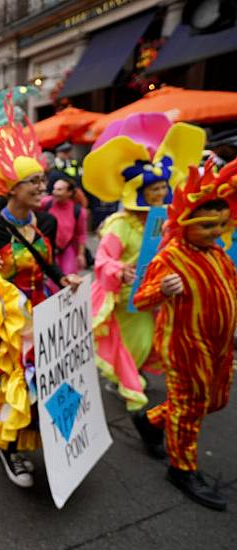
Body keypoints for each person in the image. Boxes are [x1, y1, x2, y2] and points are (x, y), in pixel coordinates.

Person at [0, 98, 81, 488]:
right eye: (35, 183)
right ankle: (9, 448)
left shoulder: (45, 220)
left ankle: (49, 441)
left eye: (42, 183)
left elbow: (48, 263)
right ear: (13, 188)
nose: (42, 189)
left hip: (43, 309)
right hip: (7, 322)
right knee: (14, 381)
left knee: (46, 378)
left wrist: (65, 280)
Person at [131, 158, 237, 511]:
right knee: (191, 407)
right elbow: (141, 299)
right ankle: (182, 468)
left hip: (219, 345)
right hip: (185, 346)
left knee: (212, 400)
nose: (215, 232)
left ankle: (149, 421)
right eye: (207, 225)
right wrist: (162, 289)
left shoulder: (219, 254)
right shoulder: (171, 256)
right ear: (187, 225)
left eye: (220, 225)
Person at [83, 113, 206, 411]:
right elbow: (103, 260)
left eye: (164, 188)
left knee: (150, 341)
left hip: (154, 295)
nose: (162, 193)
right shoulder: (119, 225)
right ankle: (126, 383)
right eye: (155, 189)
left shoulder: (164, 221)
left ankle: (128, 374)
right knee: (133, 343)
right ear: (140, 192)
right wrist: (118, 270)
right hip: (126, 297)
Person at [40, 174, 88, 275]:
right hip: (47, 249)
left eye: (59, 190)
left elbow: (81, 234)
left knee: (68, 279)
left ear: (69, 193)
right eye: (54, 189)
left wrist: (81, 254)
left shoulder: (78, 211)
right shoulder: (45, 203)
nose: (55, 192)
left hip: (67, 249)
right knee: (51, 283)